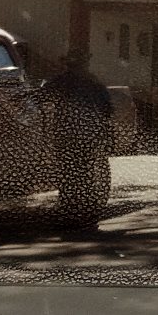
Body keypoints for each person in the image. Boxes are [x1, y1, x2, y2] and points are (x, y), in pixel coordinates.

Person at [41, 49, 113, 228]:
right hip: (87, 137)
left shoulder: (60, 81)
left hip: (66, 136)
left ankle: (70, 210)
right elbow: (107, 109)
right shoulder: (94, 83)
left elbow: (41, 98)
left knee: (68, 172)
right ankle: (85, 211)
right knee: (84, 173)